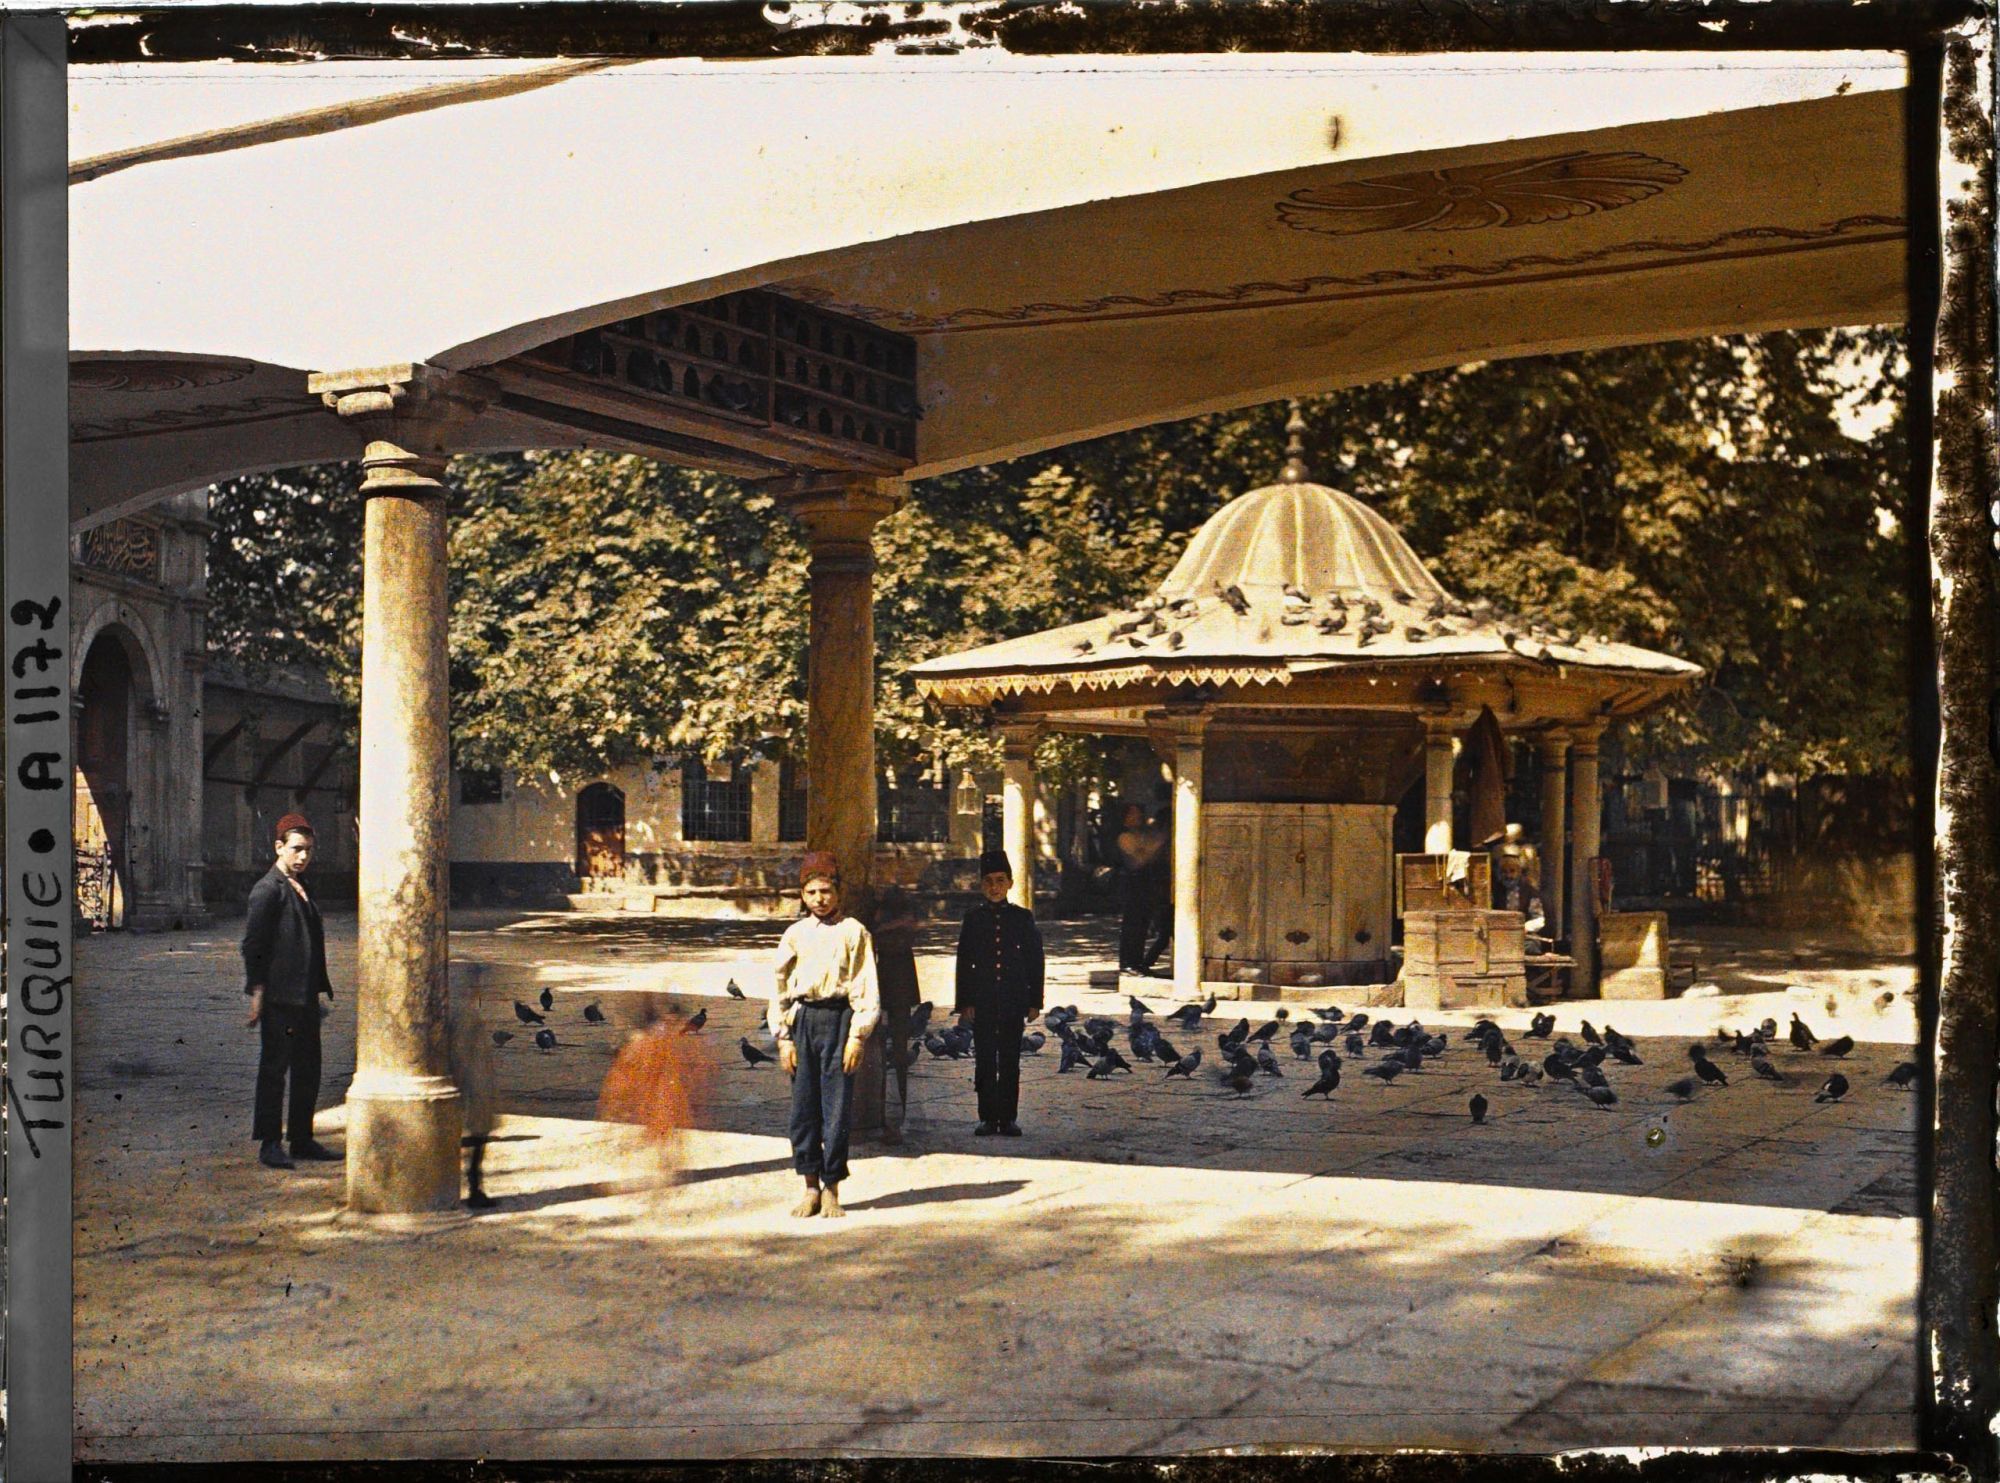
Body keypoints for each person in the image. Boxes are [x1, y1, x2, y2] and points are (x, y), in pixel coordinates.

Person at [770, 852, 881, 1219]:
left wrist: (858, 1036)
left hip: (840, 1021)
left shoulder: (854, 932)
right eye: (812, 892)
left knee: (836, 1108)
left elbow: (865, 984)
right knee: (803, 1110)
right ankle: (810, 1186)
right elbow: (780, 986)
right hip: (804, 1023)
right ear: (802, 895)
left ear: (839, 892)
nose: (820, 899)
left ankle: (832, 1188)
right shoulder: (795, 934)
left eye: (827, 891)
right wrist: (783, 1036)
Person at [242, 813, 338, 1169]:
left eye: (308, 851)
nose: (303, 857)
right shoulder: (268, 889)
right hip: (281, 997)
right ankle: (269, 1143)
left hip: (305, 995)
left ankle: (301, 1138)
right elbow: (253, 944)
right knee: (274, 1069)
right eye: (296, 849)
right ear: (278, 847)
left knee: (308, 1068)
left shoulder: (300, 885)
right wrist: (257, 991)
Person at [953, 849, 1045, 1138]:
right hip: (981, 1001)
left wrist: (1034, 1001)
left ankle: (1008, 1118)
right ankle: (986, 1117)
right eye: (989, 881)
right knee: (984, 1060)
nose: (994, 887)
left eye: (1000, 880)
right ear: (981, 885)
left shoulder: (1022, 918)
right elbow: (964, 962)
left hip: (1012, 1000)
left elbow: (1035, 960)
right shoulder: (973, 918)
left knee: (1009, 1060)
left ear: (1010, 884)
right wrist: (964, 1002)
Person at [869, 884, 923, 1142]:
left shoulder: (894, 925)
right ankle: (887, 1116)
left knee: (896, 1052)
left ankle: (895, 1117)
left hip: (897, 981)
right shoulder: (892, 924)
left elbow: (908, 925)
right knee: (887, 1051)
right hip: (889, 980)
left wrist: (883, 928)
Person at [445, 982, 499, 1209]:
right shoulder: (465, 1013)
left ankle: (471, 1185)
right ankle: (474, 1187)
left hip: (463, 1084)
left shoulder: (455, 1009)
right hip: (469, 1085)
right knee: (476, 1135)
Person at [1113, 803, 1164, 974]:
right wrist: (1154, 847)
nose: (1138, 817)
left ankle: (1137, 961)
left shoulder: (1142, 835)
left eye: (1139, 814)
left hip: (1145, 884)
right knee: (1132, 925)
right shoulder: (1125, 837)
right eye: (1133, 814)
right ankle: (1127, 963)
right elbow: (1137, 862)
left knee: (1142, 925)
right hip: (1131, 885)